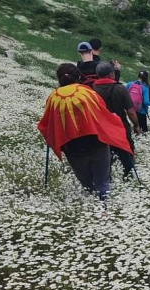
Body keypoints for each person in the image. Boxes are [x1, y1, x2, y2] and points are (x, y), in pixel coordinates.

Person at [38, 64, 132, 201]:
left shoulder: (53, 97)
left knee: (87, 183)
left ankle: (91, 203)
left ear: (59, 78)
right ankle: (104, 207)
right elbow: (102, 114)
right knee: (103, 181)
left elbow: (47, 123)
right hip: (97, 143)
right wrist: (115, 121)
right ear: (78, 77)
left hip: (73, 148)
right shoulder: (87, 92)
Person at [93, 62, 140, 180]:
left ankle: (106, 178)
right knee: (126, 152)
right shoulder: (120, 88)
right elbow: (130, 111)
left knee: (105, 154)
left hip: (101, 128)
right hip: (120, 126)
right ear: (111, 74)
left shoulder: (92, 90)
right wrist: (136, 125)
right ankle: (129, 176)